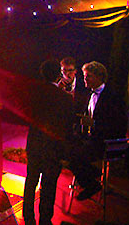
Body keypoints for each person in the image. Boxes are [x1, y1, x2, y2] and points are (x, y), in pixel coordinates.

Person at [23, 59, 73, 225]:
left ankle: (28, 217)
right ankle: (45, 220)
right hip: (53, 147)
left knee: (31, 181)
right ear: (58, 74)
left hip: (35, 143)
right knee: (49, 185)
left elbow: (26, 115)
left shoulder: (32, 92)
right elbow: (67, 126)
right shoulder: (64, 98)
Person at [69, 61, 127, 201]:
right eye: (84, 76)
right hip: (90, 138)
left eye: (88, 76)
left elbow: (118, 126)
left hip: (105, 142)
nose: (85, 80)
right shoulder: (90, 94)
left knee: (74, 156)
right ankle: (92, 175)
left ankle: (92, 184)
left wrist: (94, 124)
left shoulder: (112, 97)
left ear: (99, 77)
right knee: (66, 148)